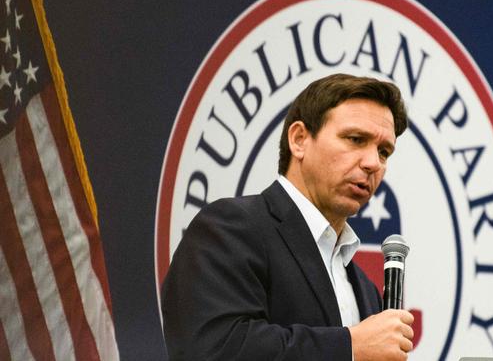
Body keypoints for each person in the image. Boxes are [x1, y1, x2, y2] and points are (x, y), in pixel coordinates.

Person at [162, 73, 413, 360]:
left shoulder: (365, 290)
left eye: (384, 152)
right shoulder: (230, 229)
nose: (372, 163)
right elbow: (214, 348)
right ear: (299, 140)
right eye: (355, 139)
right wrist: (349, 346)